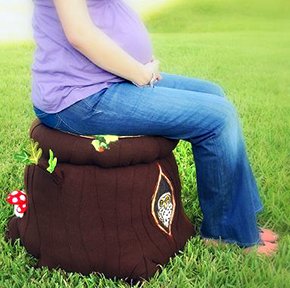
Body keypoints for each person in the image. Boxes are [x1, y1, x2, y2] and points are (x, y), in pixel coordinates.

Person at [31, 0, 278, 255]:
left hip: (109, 78)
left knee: (214, 94)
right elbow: (80, 34)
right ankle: (228, 234)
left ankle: (237, 216)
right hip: (80, 96)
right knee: (219, 117)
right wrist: (140, 73)